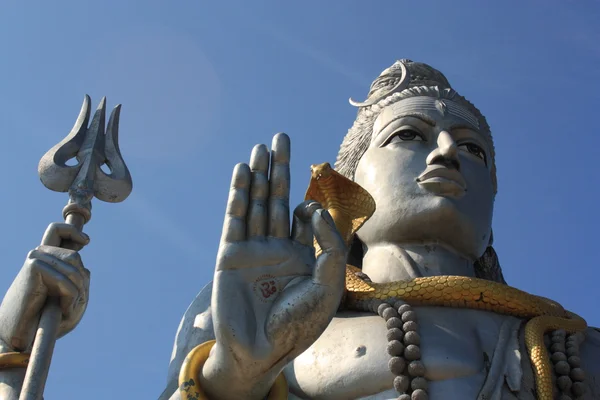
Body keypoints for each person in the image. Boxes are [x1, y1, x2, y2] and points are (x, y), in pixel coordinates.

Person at [0, 60, 598, 400]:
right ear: (345, 185)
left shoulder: (571, 347)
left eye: (473, 150)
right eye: (409, 136)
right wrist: (232, 377)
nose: (445, 152)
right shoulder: (267, 317)